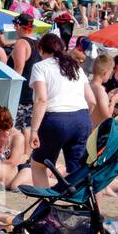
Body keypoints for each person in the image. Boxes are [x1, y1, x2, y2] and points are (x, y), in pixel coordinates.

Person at [28, 32, 95, 189]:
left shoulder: (40, 67)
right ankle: (80, 206)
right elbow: (92, 100)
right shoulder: (75, 66)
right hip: (82, 117)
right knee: (78, 169)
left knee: (39, 165)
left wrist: (34, 130)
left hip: (57, 119)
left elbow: (41, 99)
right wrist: (83, 118)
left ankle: (45, 209)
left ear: (41, 49)